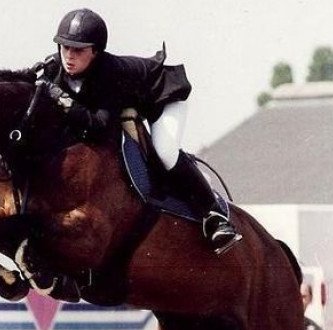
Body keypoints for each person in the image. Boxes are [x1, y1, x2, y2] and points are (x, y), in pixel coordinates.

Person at [36, 8, 242, 253]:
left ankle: (214, 215)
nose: (69, 56)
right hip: (129, 104)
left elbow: (101, 125)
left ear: (95, 51)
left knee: (164, 152)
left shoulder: (109, 72)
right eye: (64, 47)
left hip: (161, 99)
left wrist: (63, 102)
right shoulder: (54, 68)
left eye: (78, 50)